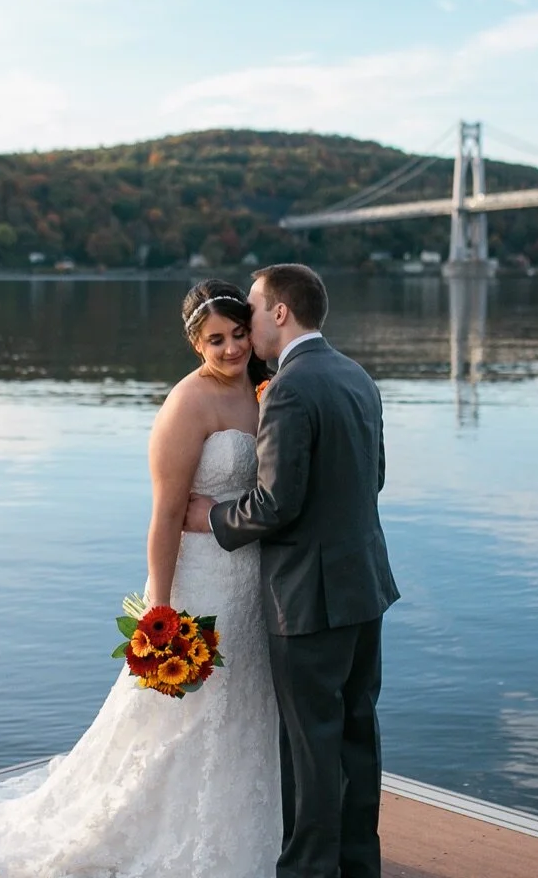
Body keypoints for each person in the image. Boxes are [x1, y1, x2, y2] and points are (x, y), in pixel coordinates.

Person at [0, 279, 281, 878]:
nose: (230, 349)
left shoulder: (262, 389)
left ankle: (247, 831)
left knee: (246, 703)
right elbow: (166, 514)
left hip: (250, 580)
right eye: (215, 339)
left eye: (239, 334)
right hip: (199, 581)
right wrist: (161, 607)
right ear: (196, 344)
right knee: (178, 714)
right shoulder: (186, 405)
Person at [184, 263, 400, 878]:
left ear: (279, 312)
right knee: (358, 736)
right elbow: (373, 478)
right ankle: (360, 865)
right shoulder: (357, 375)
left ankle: (307, 872)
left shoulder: (288, 387)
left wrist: (214, 518)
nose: (248, 321)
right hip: (366, 587)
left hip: (308, 599)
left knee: (309, 749)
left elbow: (277, 504)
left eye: (253, 309)